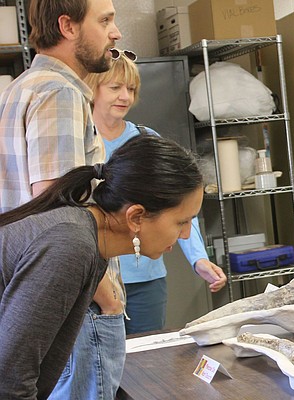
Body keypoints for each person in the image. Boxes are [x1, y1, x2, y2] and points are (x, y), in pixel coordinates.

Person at [48, 50, 227, 399]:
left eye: (131, 89)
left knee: (146, 365)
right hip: (97, 280)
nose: (125, 97)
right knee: (96, 368)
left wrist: (198, 259)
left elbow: (179, 208)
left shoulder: (147, 139)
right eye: (116, 87)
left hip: (146, 278)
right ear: (94, 88)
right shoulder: (76, 140)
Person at [0, 134, 204, 399]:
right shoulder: (71, 245)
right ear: (136, 216)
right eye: (181, 222)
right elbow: (10, 380)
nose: (186, 234)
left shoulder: (90, 241)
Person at [0, 0, 121, 213]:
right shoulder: (59, 93)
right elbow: (59, 214)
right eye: (105, 21)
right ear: (68, 27)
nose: (116, 33)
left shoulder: (20, 87)